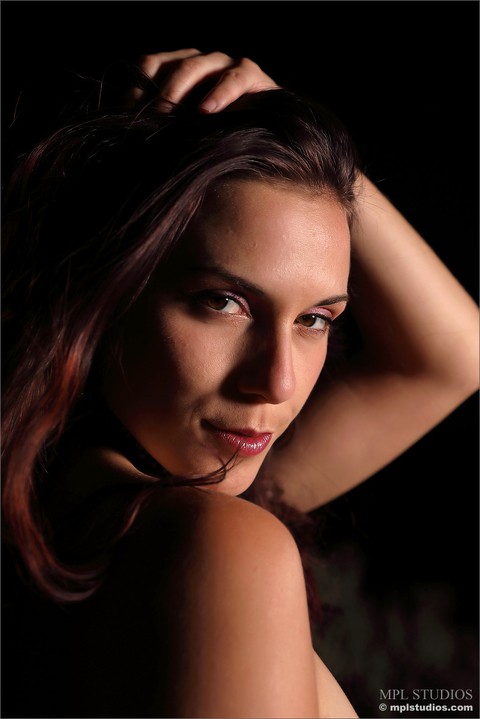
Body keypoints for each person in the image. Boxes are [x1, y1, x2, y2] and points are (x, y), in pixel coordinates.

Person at [2, 49, 478, 719]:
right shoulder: (220, 545)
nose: (276, 382)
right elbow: (452, 354)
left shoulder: (60, 510)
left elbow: (455, 355)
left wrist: (292, 138)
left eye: (316, 318)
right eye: (223, 301)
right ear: (109, 291)